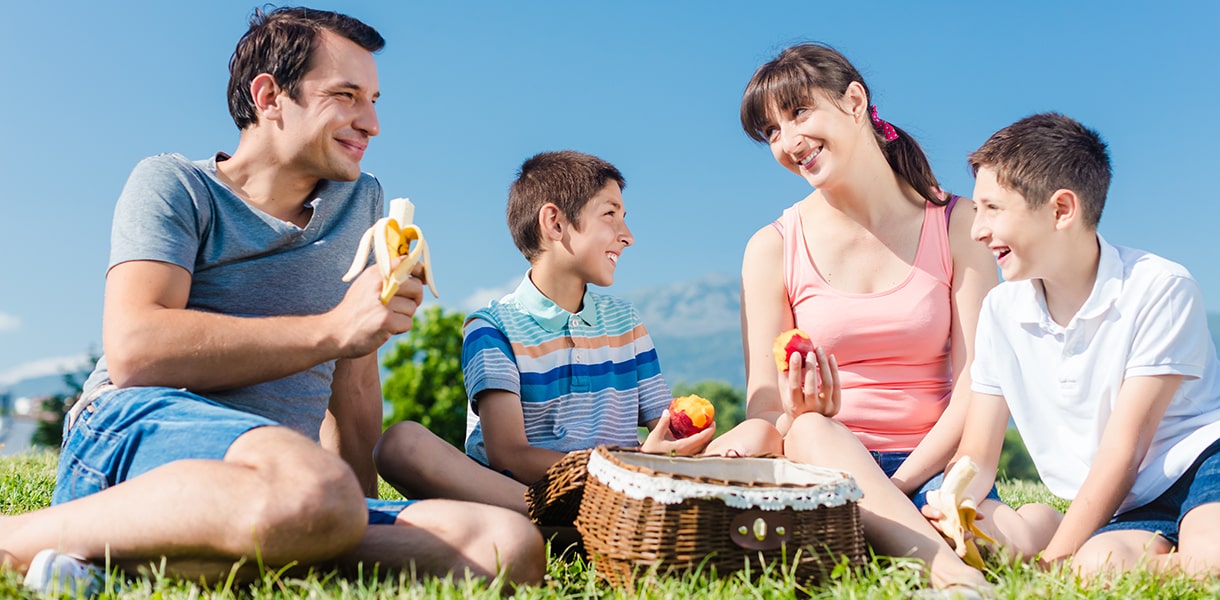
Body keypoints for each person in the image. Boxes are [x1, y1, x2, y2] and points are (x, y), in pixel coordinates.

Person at [0, 6, 543, 594]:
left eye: (375, 99)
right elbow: (135, 351)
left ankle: (119, 559)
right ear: (269, 95)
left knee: (505, 546)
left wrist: (343, 514)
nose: (372, 123)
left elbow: (354, 386)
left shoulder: (360, 203)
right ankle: (16, 538)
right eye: (346, 95)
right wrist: (334, 329)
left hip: (282, 484)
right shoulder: (176, 185)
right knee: (313, 489)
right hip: (132, 435)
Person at [715, 42, 1004, 591]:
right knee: (813, 428)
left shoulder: (960, 224)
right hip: (825, 465)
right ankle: (948, 575)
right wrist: (787, 418)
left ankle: (889, 534)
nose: (789, 142)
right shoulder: (771, 247)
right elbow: (767, 401)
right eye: (772, 132)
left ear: (854, 100)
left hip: (935, 468)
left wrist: (904, 485)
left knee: (1019, 532)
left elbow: (978, 381)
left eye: (799, 112)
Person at [942, 112, 1220, 578]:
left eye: (993, 209)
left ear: (1061, 210)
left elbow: (1125, 450)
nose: (977, 230)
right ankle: (1063, 533)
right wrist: (957, 504)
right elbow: (980, 452)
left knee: (1208, 557)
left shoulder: (1160, 287)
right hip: (1126, 502)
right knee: (1095, 568)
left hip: (1199, 468)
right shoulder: (1001, 312)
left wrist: (1053, 562)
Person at [374, 151, 715, 511]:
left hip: (621, 488)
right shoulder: (491, 327)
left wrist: (683, 438)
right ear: (554, 223)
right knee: (400, 445)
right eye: (610, 214)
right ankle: (571, 522)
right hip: (529, 493)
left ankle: (585, 520)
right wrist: (628, 470)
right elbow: (509, 455)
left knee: (755, 433)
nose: (627, 236)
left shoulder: (626, 323)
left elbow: (665, 426)